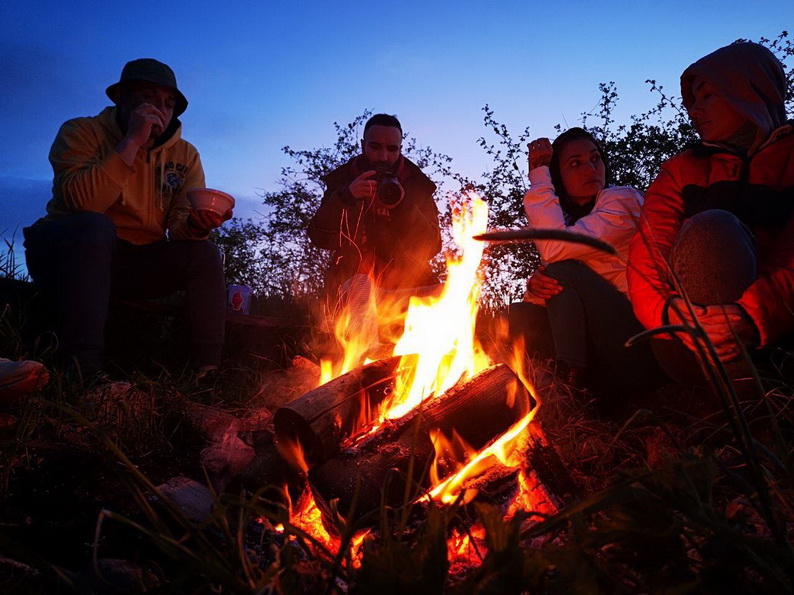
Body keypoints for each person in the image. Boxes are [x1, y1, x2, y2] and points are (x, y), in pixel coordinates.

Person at [23, 58, 232, 378]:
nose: (160, 109)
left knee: (204, 252)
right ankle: (82, 370)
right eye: (148, 97)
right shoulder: (81, 131)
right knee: (94, 226)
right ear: (121, 97)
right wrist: (132, 141)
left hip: (135, 261)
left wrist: (195, 225)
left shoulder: (185, 156)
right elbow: (84, 203)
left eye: (168, 103)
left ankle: (209, 372)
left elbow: (178, 226)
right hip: (66, 252)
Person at [627, 42, 794, 384]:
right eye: (693, 100)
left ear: (748, 91)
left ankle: (744, 402)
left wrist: (750, 315)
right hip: (686, 337)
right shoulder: (682, 169)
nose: (694, 110)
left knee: (716, 227)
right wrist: (670, 313)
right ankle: (748, 403)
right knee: (710, 230)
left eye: (707, 96)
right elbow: (648, 253)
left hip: (780, 331)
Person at [509, 127, 661, 400]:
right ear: (559, 177)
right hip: (601, 348)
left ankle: (568, 391)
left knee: (561, 271)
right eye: (575, 164)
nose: (591, 169)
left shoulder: (623, 202)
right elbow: (556, 276)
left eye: (595, 159)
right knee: (519, 315)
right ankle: (549, 388)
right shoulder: (569, 222)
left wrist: (539, 176)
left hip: (640, 343)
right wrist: (536, 287)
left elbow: (553, 248)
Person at [308, 114, 442, 298]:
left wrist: (403, 207)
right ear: (363, 145)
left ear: (400, 149)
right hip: (353, 285)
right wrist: (346, 197)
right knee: (359, 292)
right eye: (375, 147)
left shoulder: (417, 185)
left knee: (447, 294)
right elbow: (319, 237)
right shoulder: (342, 181)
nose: (383, 156)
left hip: (410, 284)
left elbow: (432, 246)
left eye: (392, 149)